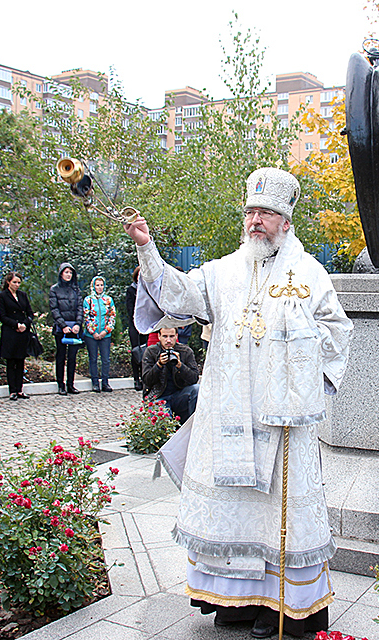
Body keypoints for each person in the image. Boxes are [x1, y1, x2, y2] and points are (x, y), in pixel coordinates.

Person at [124, 167, 352, 638]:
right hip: (227, 412)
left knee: (275, 513)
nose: (256, 221)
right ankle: (234, 600)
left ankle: (280, 608)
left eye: (266, 213)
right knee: (232, 507)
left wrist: (299, 349)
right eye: (251, 211)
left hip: (280, 417)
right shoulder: (223, 270)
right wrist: (148, 247)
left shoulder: (309, 274)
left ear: (286, 221)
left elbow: (338, 331)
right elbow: (178, 293)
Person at [141, 326, 200, 423]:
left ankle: (194, 425)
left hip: (180, 395)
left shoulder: (185, 351)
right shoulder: (151, 352)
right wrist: (159, 365)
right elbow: (146, 380)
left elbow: (194, 378)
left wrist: (180, 366)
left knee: (197, 389)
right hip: (158, 396)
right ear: (159, 336)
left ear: (177, 336)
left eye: (171, 336)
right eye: (165, 336)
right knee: (164, 421)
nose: (168, 340)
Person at [0, 272, 33, 401]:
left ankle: (20, 389)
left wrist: (25, 324)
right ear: (8, 282)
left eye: (18, 282)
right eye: (14, 282)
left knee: (20, 361)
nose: (17, 285)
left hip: (23, 332)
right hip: (10, 332)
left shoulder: (22, 295)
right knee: (11, 362)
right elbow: (3, 316)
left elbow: (29, 312)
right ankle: (12, 390)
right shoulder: (2, 296)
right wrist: (16, 325)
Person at [49, 263, 83, 396]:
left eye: (70, 272)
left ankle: (70, 384)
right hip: (61, 329)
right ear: (61, 273)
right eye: (66, 272)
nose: (68, 275)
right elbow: (54, 309)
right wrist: (63, 325)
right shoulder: (54, 289)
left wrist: (78, 324)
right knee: (61, 356)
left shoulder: (76, 290)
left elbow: (80, 307)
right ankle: (60, 384)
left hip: (74, 328)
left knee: (72, 358)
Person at [83, 275, 115, 393]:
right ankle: (95, 382)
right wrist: (93, 332)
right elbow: (86, 317)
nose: (99, 287)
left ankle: (105, 382)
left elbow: (112, 316)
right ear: (93, 286)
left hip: (105, 335)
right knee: (93, 358)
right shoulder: (88, 300)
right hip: (91, 335)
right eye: (97, 285)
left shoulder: (108, 300)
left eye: (101, 285)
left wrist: (105, 331)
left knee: (105, 359)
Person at [125, 266, 143, 391]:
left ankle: (144, 377)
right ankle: (136, 378)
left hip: (145, 326)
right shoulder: (131, 290)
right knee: (136, 351)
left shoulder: (147, 290)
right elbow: (129, 309)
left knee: (145, 352)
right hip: (135, 325)